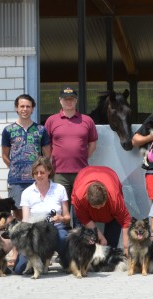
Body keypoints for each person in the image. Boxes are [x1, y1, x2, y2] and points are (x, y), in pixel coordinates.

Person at [44, 86, 98, 218]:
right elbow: (46, 145)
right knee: (61, 206)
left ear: (76, 100)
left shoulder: (87, 120)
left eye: (72, 99)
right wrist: (49, 162)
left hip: (81, 171)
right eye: (65, 99)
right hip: (59, 172)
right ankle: (64, 235)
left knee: (81, 205)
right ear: (60, 101)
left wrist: (83, 157)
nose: (69, 102)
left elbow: (92, 143)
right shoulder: (52, 120)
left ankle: (80, 234)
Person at [13, 157, 70, 275]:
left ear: (49, 171)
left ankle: (65, 259)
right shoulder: (27, 193)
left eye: (42, 172)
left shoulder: (60, 189)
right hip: (35, 232)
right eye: (36, 173)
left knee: (63, 238)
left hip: (55, 228)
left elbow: (67, 217)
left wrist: (61, 218)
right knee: (20, 269)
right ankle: (42, 260)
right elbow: (25, 220)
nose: (39, 175)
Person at [1, 94, 51, 220]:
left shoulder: (41, 130)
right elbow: (4, 155)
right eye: (22, 106)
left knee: (37, 210)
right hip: (16, 180)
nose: (25, 109)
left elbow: (47, 154)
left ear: (32, 109)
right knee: (18, 212)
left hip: (36, 179)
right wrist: (15, 167)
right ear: (16, 108)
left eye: (28, 106)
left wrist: (39, 171)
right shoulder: (8, 130)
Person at [71, 165, 131, 253]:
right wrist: (101, 237)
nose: (98, 208)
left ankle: (109, 260)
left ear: (106, 198)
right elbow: (84, 219)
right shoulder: (80, 197)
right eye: (95, 206)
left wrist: (126, 249)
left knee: (111, 246)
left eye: (101, 205)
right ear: (87, 199)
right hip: (83, 177)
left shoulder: (115, 198)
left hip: (109, 176)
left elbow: (126, 222)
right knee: (83, 244)